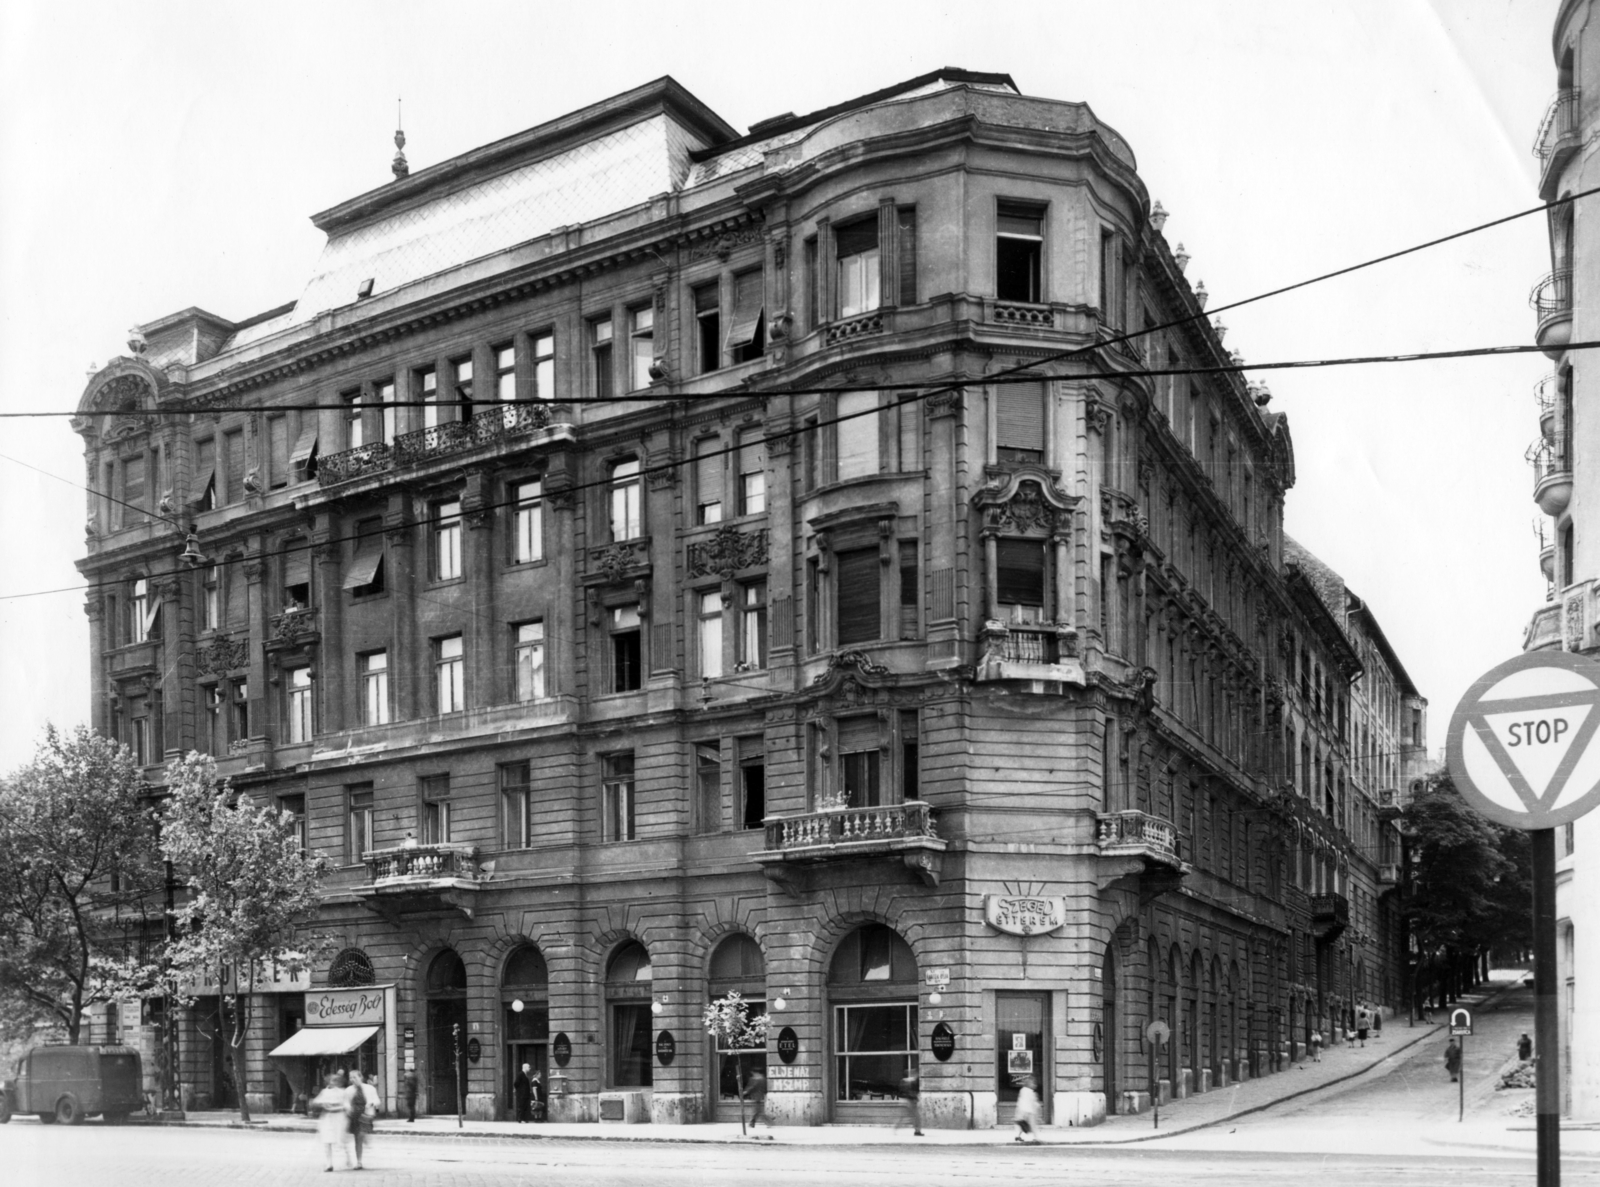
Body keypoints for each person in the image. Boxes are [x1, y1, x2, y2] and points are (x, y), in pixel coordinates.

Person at [312, 1072, 352, 1172]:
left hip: (339, 1117)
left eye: (336, 1081)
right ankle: (329, 1164)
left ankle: (348, 1158)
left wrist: (346, 1108)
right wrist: (320, 1103)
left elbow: (347, 1104)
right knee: (327, 1140)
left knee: (341, 1139)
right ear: (328, 1081)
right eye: (332, 1080)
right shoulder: (324, 1092)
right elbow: (317, 1101)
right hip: (327, 1117)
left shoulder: (343, 1092)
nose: (334, 1082)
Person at [345, 1069, 374, 1170]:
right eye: (351, 1077)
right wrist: (348, 1108)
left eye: (355, 1077)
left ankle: (364, 1138)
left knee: (360, 1136)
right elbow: (346, 1102)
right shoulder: (349, 1090)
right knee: (357, 1139)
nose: (352, 1079)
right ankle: (359, 1162)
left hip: (365, 1115)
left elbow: (376, 1100)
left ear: (360, 1077)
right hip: (354, 1116)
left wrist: (370, 1103)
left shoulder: (369, 1088)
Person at [743, 1068, 773, 1137]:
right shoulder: (762, 1078)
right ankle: (753, 1123)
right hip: (760, 1096)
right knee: (758, 1111)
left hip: (756, 1096)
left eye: (753, 1072)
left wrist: (746, 1092)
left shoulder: (756, 1079)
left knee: (758, 1111)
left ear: (755, 1072)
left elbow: (752, 1087)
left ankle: (767, 1122)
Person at [1013, 1075, 1040, 1144]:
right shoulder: (1031, 1092)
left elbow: (1020, 1100)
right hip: (1029, 1111)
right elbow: (1033, 1103)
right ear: (1030, 1084)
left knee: (1021, 1124)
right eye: (1033, 1083)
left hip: (1021, 1110)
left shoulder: (1022, 1090)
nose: (1035, 1085)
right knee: (1032, 1124)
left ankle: (1017, 1136)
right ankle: (1035, 1138)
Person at [897, 1069, 923, 1137]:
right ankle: (917, 1131)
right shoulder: (912, 1081)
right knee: (916, 1117)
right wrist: (915, 1099)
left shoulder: (903, 1080)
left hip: (904, 1100)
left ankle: (895, 1128)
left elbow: (901, 1091)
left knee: (903, 1116)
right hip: (910, 1101)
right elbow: (912, 1092)